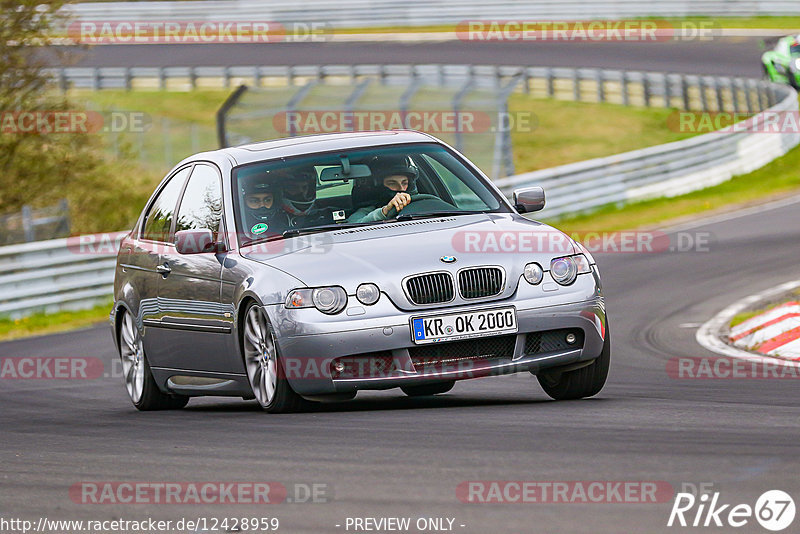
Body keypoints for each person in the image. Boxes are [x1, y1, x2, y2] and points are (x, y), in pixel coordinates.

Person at [348, 157, 419, 223]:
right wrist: (385, 210)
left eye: (404, 183)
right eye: (392, 183)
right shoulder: (369, 209)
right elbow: (352, 223)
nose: (401, 188)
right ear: (379, 186)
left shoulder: (419, 201)